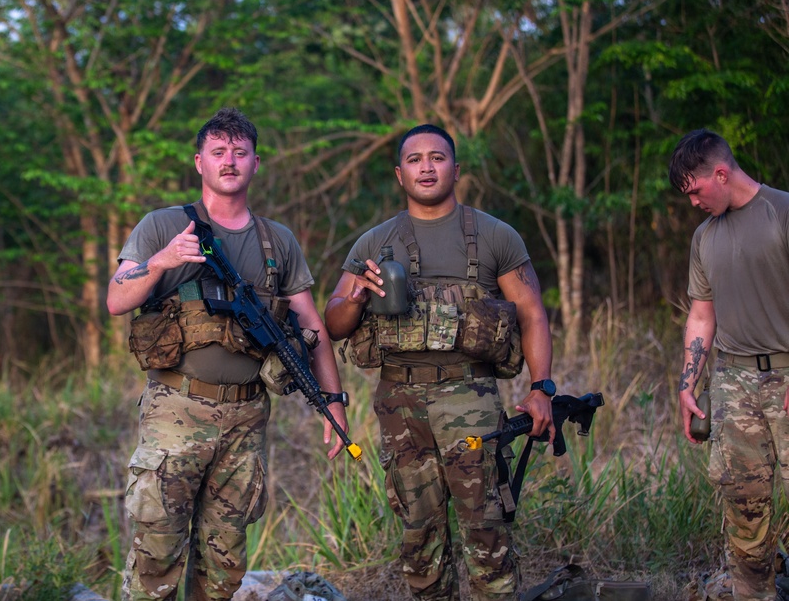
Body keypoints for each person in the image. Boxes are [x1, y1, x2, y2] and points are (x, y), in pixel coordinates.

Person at [106, 107, 349, 601]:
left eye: (240, 153)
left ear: (256, 163)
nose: (229, 161)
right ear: (199, 162)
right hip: (176, 410)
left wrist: (335, 402)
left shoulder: (276, 241)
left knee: (225, 563)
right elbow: (116, 298)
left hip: (246, 417)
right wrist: (163, 261)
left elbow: (311, 326)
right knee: (157, 554)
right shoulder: (163, 225)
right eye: (218, 152)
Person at [323, 124, 554, 601]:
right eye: (414, 159)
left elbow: (532, 313)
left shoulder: (495, 236)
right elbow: (334, 322)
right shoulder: (373, 243)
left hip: (471, 395)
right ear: (398, 174)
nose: (426, 167)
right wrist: (357, 294)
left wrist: (542, 388)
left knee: (486, 528)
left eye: (437, 157)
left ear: (456, 168)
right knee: (418, 535)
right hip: (399, 402)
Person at [669, 128, 789, 601]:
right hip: (733, 381)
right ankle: (752, 595)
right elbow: (702, 315)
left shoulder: (781, 212)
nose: (693, 202)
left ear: (721, 173)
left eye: (696, 190)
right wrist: (687, 384)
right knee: (743, 504)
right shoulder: (704, 236)